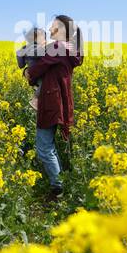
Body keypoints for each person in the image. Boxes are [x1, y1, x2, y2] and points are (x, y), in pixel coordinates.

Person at [23, 14, 83, 198]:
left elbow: (37, 68)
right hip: (59, 101)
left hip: (50, 102)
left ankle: (58, 188)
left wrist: (27, 72)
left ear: (63, 30)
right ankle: (60, 183)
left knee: (44, 147)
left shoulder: (57, 47)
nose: (50, 30)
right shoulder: (69, 49)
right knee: (49, 145)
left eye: (54, 27)